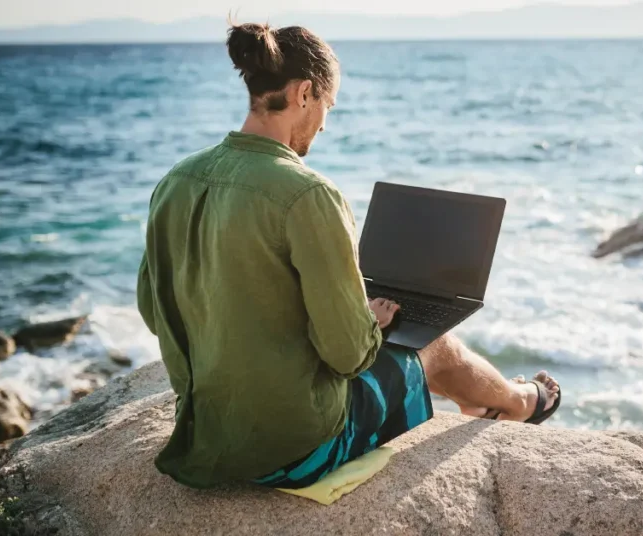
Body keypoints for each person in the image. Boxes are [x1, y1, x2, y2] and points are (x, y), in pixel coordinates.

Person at [136, 22, 561, 490]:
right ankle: (521, 403)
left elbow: (154, 312)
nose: (325, 123)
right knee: (432, 345)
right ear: (303, 93)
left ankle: (487, 404)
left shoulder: (176, 180)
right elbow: (346, 356)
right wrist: (368, 321)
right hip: (291, 451)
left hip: (204, 435)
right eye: (327, 106)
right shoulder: (307, 194)